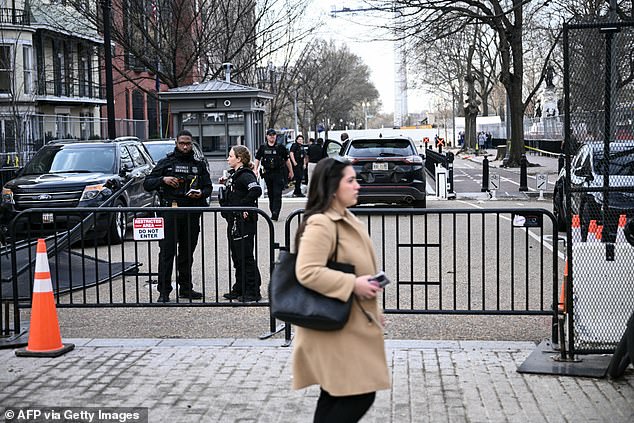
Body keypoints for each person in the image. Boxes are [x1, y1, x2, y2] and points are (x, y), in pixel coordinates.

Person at [293, 157, 390, 422]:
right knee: (359, 393)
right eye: (351, 180)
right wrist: (354, 285)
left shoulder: (346, 217)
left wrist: (373, 309)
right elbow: (307, 271)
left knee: (336, 394)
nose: (358, 185)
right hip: (335, 329)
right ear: (333, 187)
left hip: (350, 322)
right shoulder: (322, 224)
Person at [143, 130, 212, 302]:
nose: (185, 146)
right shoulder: (166, 163)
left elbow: (208, 187)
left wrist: (201, 193)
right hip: (170, 212)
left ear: (192, 144)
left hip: (191, 213)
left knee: (187, 253)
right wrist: (163, 180)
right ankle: (164, 291)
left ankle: (186, 288)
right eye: (182, 143)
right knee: (167, 253)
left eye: (188, 143)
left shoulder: (199, 165)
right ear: (176, 143)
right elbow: (147, 183)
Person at [219, 146, 263, 302]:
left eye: (230, 156)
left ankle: (252, 290)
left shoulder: (245, 175)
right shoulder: (235, 176)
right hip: (234, 221)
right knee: (237, 256)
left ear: (239, 159)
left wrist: (243, 206)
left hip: (244, 222)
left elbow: (256, 190)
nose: (228, 159)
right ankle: (240, 287)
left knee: (245, 256)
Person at [254, 128, 293, 221]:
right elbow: (257, 158)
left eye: (274, 135)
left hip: (278, 173)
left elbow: (287, 160)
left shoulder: (280, 147)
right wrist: (255, 169)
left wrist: (291, 171)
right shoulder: (263, 147)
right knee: (271, 194)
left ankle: (276, 212)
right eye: (270, 135)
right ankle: (272, 210)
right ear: (267, 136)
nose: (272, 137)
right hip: (268, 173)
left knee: (277, 193)